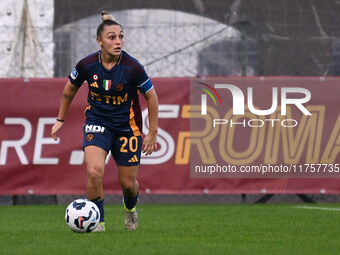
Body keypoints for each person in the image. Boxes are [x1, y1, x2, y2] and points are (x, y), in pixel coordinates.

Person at [51, 10, 158, 232]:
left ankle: (130, 210)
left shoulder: (133, 67)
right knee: (94, 171)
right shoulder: (87, 65)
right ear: (99, 41)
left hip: (127, 128)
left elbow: (151, 96)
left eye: (121, 36)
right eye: (112, 37)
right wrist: (60, 119)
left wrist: (152, 132)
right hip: (97, 122)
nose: (118, 41)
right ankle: (97, 221)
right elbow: (69, 90)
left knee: (128, 185)